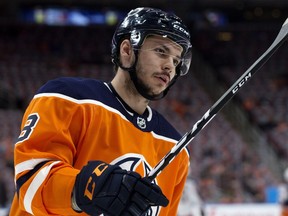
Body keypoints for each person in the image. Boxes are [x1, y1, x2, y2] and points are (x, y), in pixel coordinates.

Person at [9, 7, 192, 216]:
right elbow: (29, 186)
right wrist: (87, 188)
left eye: (176, 61)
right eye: (161, 51)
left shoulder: (175, 148)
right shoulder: (67, 99)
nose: (170, 66)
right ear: (127, 51)